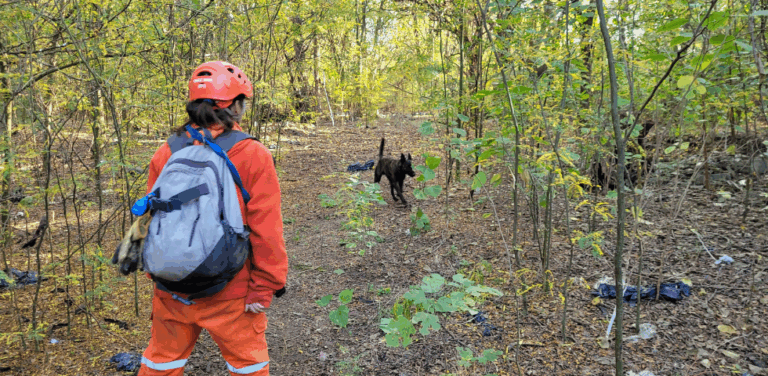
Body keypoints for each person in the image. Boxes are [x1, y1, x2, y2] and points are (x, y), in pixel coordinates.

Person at [137, 61, 287, 376]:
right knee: (248, 366)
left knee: (161, 363)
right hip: (231, 288)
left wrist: (159, 275)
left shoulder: (167, 151)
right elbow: (266, 229)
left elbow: (154, 218)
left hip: (172, 287)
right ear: (233, 106)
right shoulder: (252, 154)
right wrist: (266, 285)